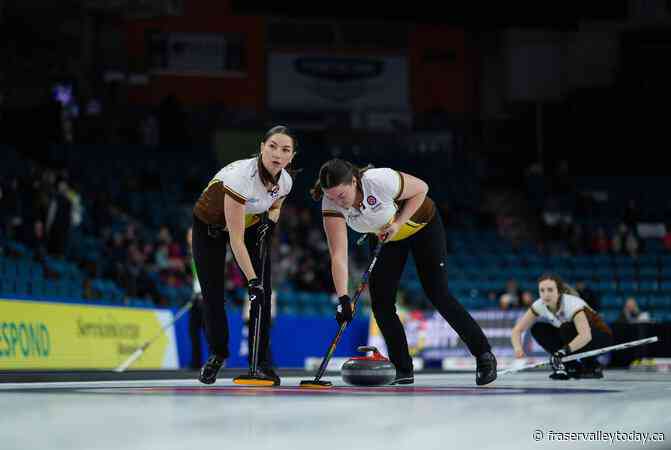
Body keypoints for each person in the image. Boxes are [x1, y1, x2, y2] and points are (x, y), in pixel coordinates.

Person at [311, 159, 497, 386]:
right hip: (385, 237)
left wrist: (398, 223)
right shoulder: (330, 204)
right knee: (381, 302)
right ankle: (402, 368)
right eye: (331, 196)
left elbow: (422, 188)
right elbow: (339, 254)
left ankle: (484, 356)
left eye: (341, 195)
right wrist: (343, 298)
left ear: (354, 181)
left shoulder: (378, 180)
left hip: (421, 225)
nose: (338, 202)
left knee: (438, 294)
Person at [191, 125, 296, 385]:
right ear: (261, 148)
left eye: (285, 150)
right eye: (272, 146)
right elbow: (235, 240)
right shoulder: (241, 178)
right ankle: (217, 354)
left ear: (291, 157)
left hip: (249, 223)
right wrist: (251, 281)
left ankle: (260, 362)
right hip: (209, 226)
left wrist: (269, 223)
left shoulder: (286, 181)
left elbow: (276, 205)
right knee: (213, 293)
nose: (277, 154)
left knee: (265, 293)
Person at [510, 274, 613, 380]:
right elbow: (517, 330)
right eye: (542, 290)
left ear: (559, 292)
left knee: (566, 328)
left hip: (600, 336)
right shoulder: (539, 305)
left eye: (550, 290)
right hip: (572, 334)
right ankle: (571, 366)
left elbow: (585, 336)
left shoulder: (572, 304)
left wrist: (563, 351)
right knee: (538, 328)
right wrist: (518, 349)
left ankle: (591, 366)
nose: (546, 294)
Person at [186, 227, 204, 370]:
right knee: (193, 330)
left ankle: (217, 359)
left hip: (205, 297)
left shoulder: (204, 250)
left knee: (208, 331)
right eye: (188, 235)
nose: (189, 238)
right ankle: (196, 362)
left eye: (192, 235)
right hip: (196, 297)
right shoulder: (191, 254)